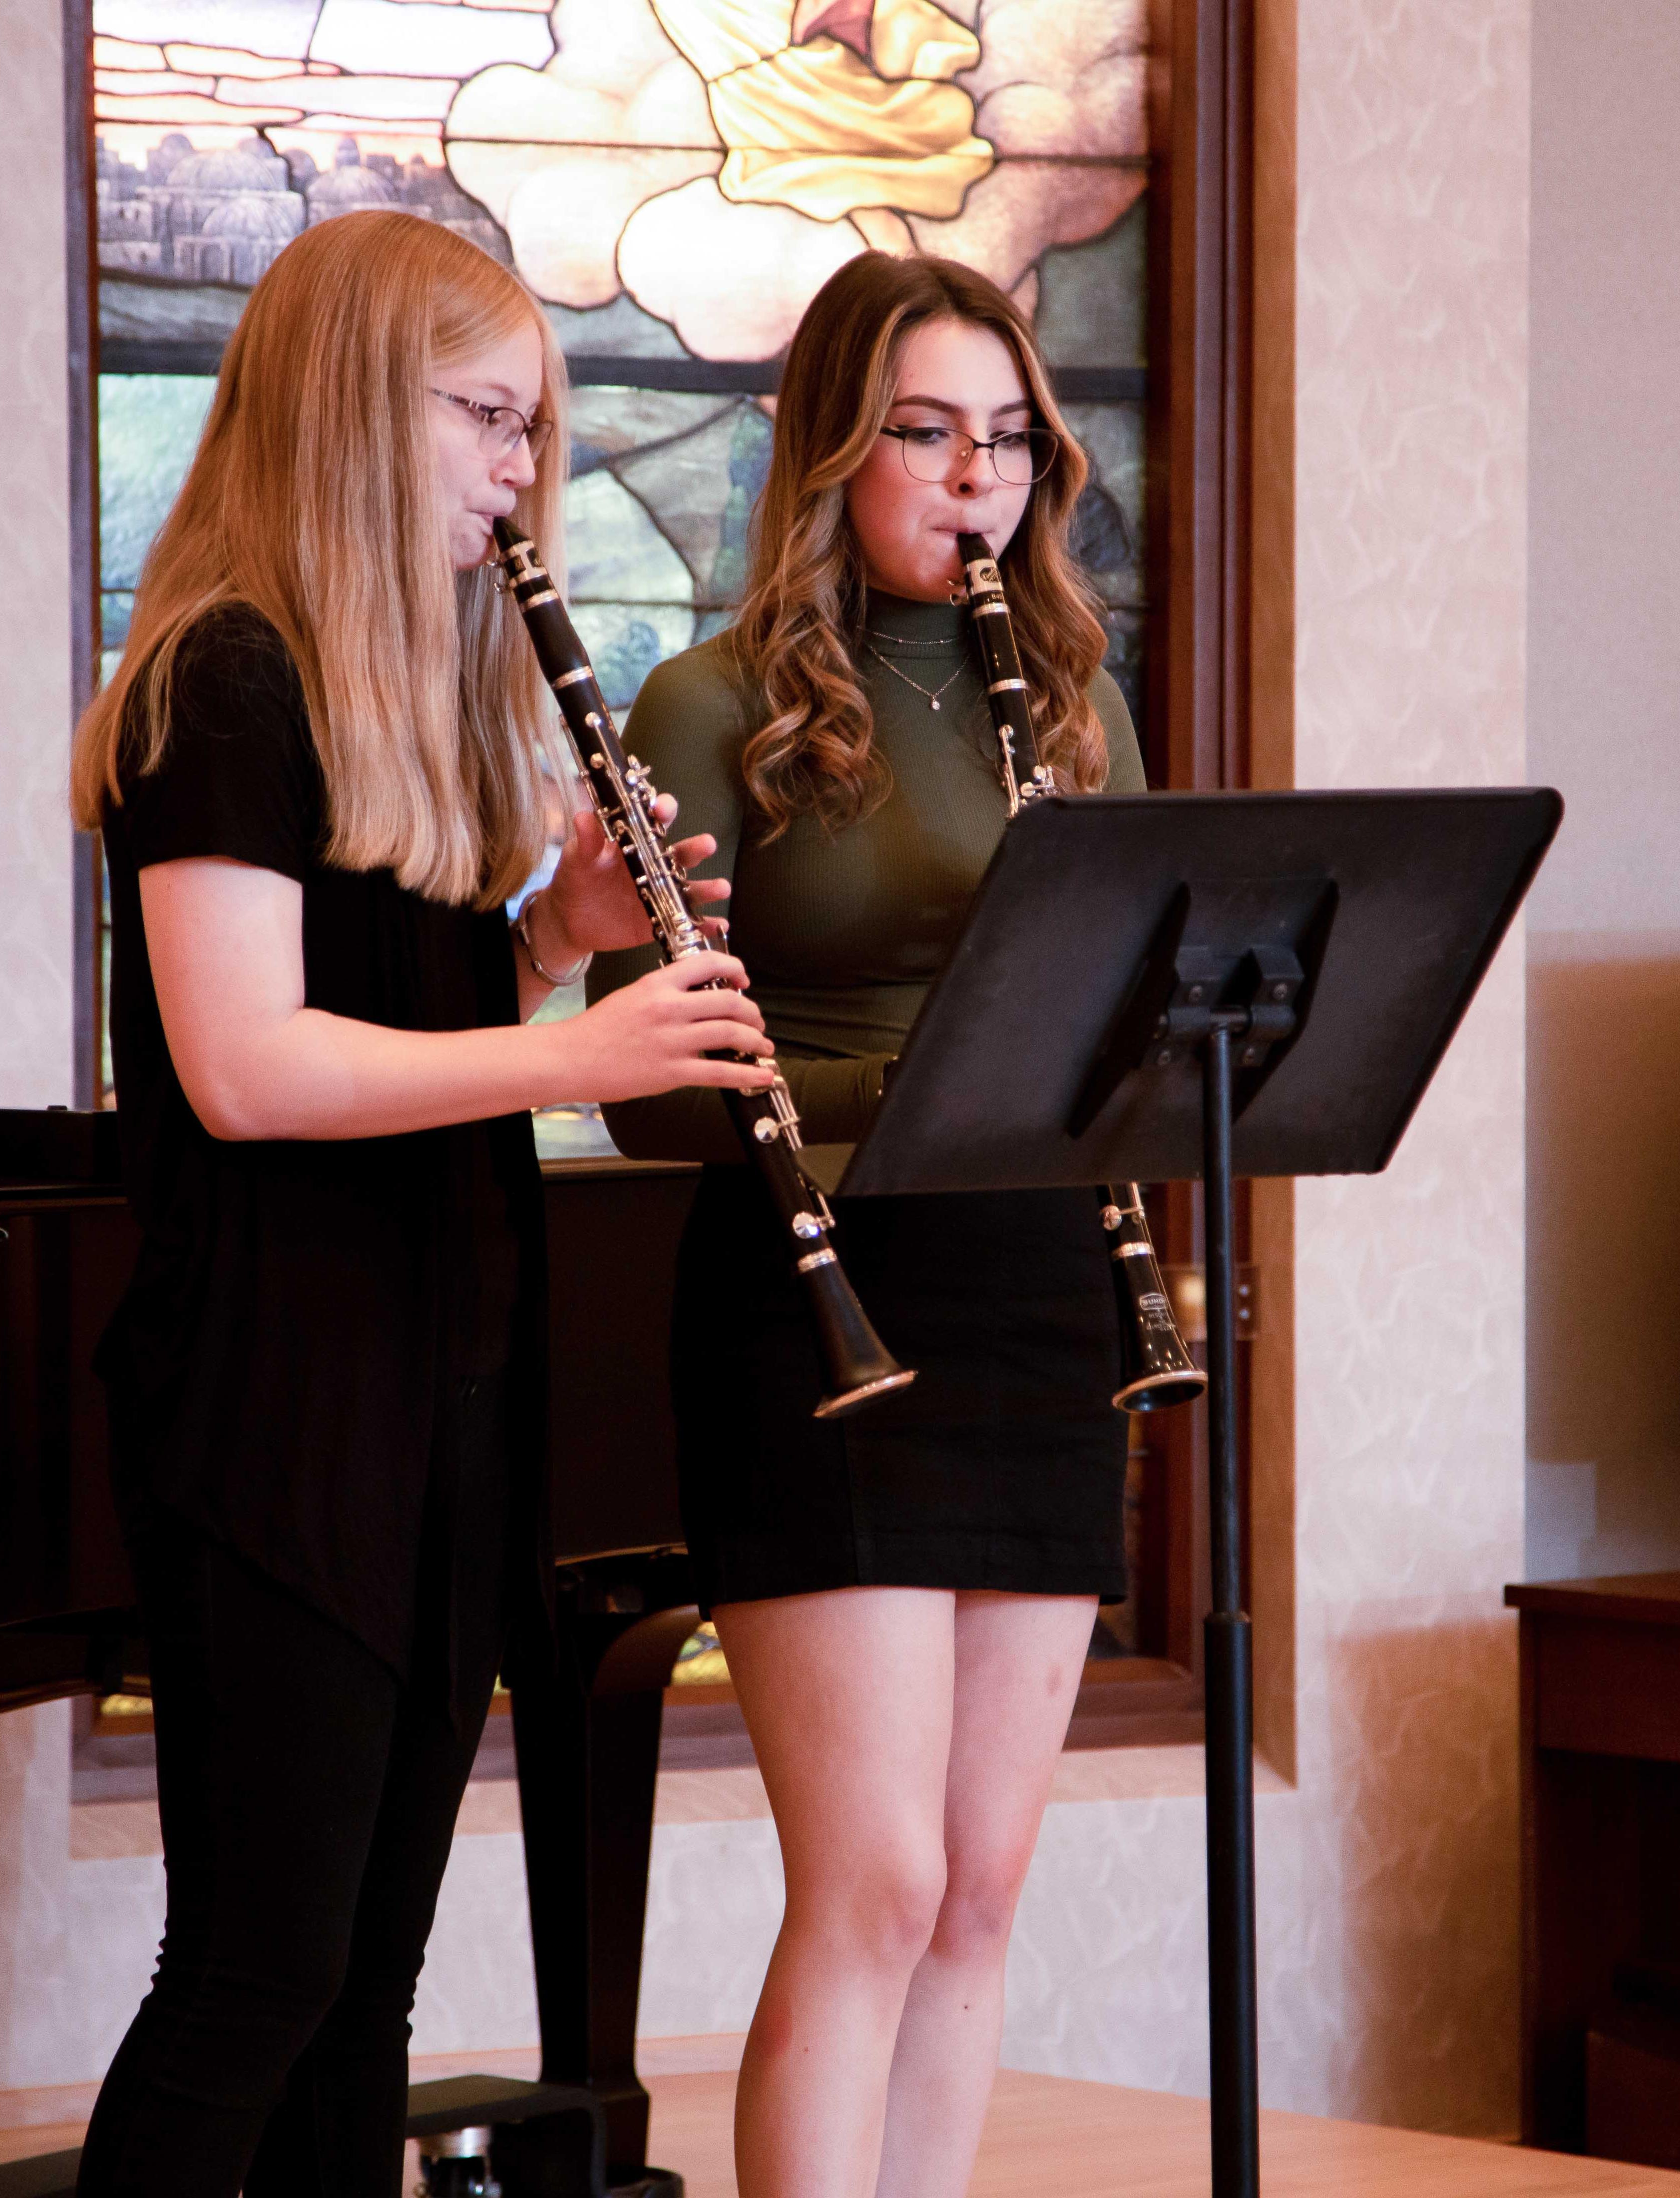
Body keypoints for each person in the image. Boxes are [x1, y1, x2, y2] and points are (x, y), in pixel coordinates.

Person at [64, 208, 770, 2198]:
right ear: (350, 412)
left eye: (531, 431)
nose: (514, 473)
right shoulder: (224, 682)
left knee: (366, 1981)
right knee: (257, 1969)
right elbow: (248, 1067)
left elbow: (404, 1012)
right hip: (279, 1398)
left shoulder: (416, 700)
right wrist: (576, 1058)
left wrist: (560, 934)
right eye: (481, 418)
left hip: (442, 1371)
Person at [588, 250, 1146, 2198]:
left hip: (1034, 1290)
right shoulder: (708, 700)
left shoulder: (1076, 704)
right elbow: (642, 1082)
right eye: (921, 430)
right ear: (832, 451)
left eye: (1002, 437)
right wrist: (899, 1098)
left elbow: (1117, 1014)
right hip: (816, 1298)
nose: (968, 477)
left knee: (982, 1885)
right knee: (880, 1878)